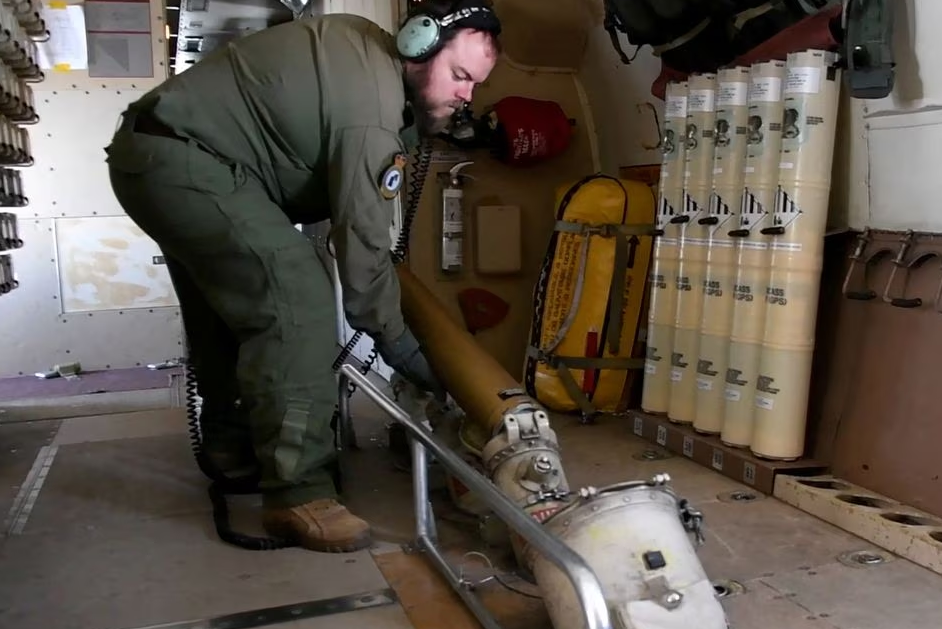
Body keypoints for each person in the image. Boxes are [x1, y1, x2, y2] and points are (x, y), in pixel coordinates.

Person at [103, 1, 501, 552]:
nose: (466, 95)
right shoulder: (372, 102)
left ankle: (232, 450)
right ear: (417, 46)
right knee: (298, 297)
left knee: (229, 311)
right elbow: (361, 253)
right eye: (459, 76)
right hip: (185, 162)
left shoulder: (366, 55)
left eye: (475, 85)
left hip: (160, 156)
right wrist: (408, 354)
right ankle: (297, 494)